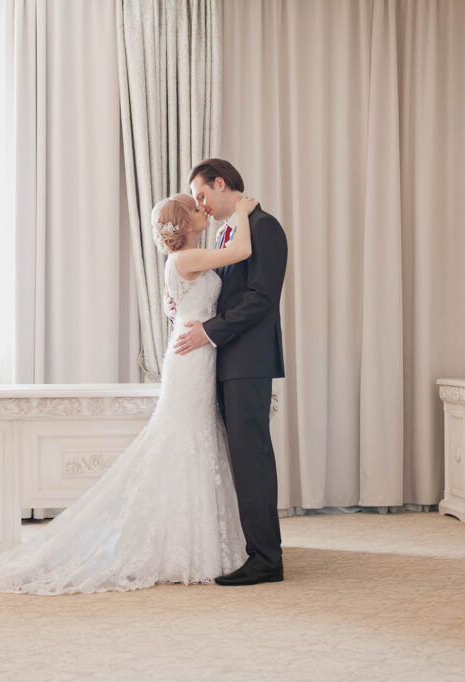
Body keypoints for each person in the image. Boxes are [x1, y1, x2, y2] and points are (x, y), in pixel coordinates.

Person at [0, 192, 259, 595]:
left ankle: (195, 541)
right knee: (184, 440)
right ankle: (182, 545)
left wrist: (179, 309)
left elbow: (187, 300)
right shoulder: (184, 259)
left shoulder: (184, 261)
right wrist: (241, 212)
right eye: (195, 208)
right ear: (183, 223)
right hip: (191, 358)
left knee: (194, 440)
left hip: (196, 351)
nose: (204, 210)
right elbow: (242, 250)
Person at [174, 158, 288, 586]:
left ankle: (266, 560)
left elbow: (261, 299)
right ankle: (254, 548)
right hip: (223, 361)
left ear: (221, 183)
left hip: (247, 361)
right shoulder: (230, 230)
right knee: (240, 460)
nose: (200, 203)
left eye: (202, 194)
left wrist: (209, 331)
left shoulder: (265, 226)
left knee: (251, 459)